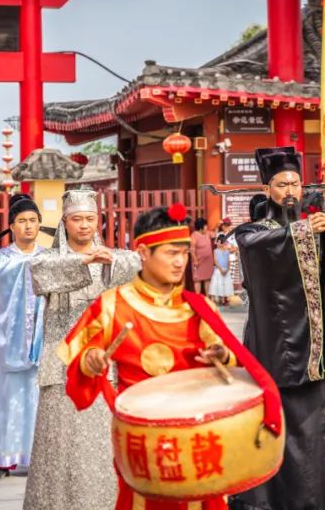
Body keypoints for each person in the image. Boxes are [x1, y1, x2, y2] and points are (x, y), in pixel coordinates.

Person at [60, 204, 282, 510]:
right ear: (143, 252)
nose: (180, 262)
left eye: (184, 252)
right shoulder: (113, 305)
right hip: (144, 441)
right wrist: (91, 360)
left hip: (197, 437)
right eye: (171, 253)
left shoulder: (198, 307)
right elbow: (78, 369)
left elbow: (229, 356)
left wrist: (222, 355)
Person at [230, 147, 325, 510]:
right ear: (267, 190)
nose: (290, 191)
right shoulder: (254, 232)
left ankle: (312, 501)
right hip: (270, 348)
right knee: (266, 426)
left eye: (295, 183)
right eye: (281, 184)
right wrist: (304, 230)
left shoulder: (317, 228)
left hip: (310, 348)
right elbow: (256, 246)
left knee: (310, 433)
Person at [24, 189, 140, 510]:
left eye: (90, 218)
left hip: (104, 363)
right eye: (77, 219)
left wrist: (110, 260)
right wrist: (82, 261)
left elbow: (139, 263)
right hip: (61, 364)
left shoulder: (112, 256)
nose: (85, 225)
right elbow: (41, 273)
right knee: (60, 442)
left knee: (103, 443)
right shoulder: (49, 259)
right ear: (65, 222)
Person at [0, 194, 45, 481]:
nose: (28, 226)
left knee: (39, 399)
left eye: (33, 220)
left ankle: (39, 458)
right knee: (9, 397)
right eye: (22, 221)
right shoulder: (0, 259)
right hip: (12, 339)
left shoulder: (48, 256)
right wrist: (28, 266)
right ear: (11, 227)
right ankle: (2, 459)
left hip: (43, 338)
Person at [190, 218, 214, 295]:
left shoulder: (207, 233)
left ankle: (207, 297)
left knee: (208, 279)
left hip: (208, 262)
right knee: (197, 280)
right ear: (201, 228)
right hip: (198, 261)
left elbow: (215, 234)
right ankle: (198, 298)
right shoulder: (194, 235)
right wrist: (195, 260)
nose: (206, 227)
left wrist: (218, 226)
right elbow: (192, 249)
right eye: (205, 226)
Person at [210, 231, 234, 305]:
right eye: (219, 242)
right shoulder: (215, 251)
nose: (220, 244)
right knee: (218, 284)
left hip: (226, 270)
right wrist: (220, 270)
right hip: (218, 270)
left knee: (226, 284)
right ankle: (219, 298)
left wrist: (227, 269)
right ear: (217, 242)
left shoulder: (227, 250)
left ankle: (225, 298)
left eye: (222, 242)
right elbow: (215, 261)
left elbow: (229, 261)